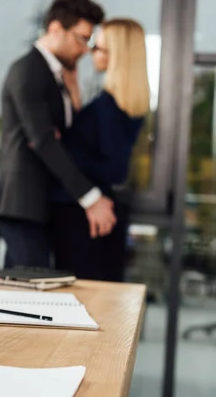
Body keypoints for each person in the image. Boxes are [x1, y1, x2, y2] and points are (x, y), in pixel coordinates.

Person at [0, 0, 114, 269]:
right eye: (81, 39)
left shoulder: (57, 74)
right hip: (23, 206)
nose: (84, 50)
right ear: (56, 29)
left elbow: (64, 138)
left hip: (45, 205)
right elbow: (44, 140)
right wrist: (91, 198)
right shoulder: (28, 70)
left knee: (22, 298)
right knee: (30, 295)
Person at [50, 18, 150, 281]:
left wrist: (62, 146)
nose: (91, 52)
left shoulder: (109, 106)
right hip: (90, 216)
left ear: (117, 55)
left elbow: (115, 169)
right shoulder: (121, 106)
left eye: (99, 48)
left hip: (85, 220)